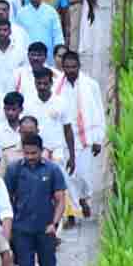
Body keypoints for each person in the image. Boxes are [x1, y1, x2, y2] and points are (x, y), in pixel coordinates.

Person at [5, 134, 67, 266]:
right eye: (27, 152)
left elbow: (60, 200)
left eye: (34, 153)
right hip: (22, 230)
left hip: (45, 229)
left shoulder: (52, 170)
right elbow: (7, 199)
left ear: (42, 151)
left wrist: (54, 224)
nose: (30, 156)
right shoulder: (14, 170)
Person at [57, 51, 105, 218]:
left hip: (85, 137)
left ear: (79, 66)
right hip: (64, 138)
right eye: (67, 67)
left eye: (74, 67)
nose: (70, 70)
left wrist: (99, 139)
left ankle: (84, 198)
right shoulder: (56, 86)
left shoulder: (91, 85)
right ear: (62, 67)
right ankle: (72, 210)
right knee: (68, 175)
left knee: (83, 173)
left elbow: (99, 111)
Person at [17, 0, 64, 65]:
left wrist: (59, 50)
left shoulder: (51, 11)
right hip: (28, 55)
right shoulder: (21, 13)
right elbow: (18, 35)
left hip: (48, 55)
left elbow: (57, 34)